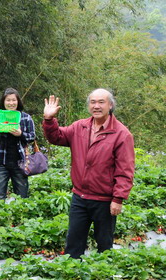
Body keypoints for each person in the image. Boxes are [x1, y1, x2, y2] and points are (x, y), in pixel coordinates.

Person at [43, 89, 135, 258]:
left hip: (104, 201)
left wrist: (118, 199)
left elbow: (125, 170)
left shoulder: (121, 134)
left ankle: (103, 272)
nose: (96, 106)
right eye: (93, 102)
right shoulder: (80, 127)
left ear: (110, 105)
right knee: (73, 243)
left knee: (104, 245)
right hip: (80, 197)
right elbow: (57, 137)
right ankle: (72, 271)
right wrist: (49, 119)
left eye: (101, 102)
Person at [0, 88, 36, 199]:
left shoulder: (25, 117)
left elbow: (32, 137)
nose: (11, 103)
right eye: (8, 100)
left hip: (20, 163)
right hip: (1, 162)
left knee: (22, 197)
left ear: (18, 101)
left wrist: (20, 134)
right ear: (3, 102)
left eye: (14, 100)